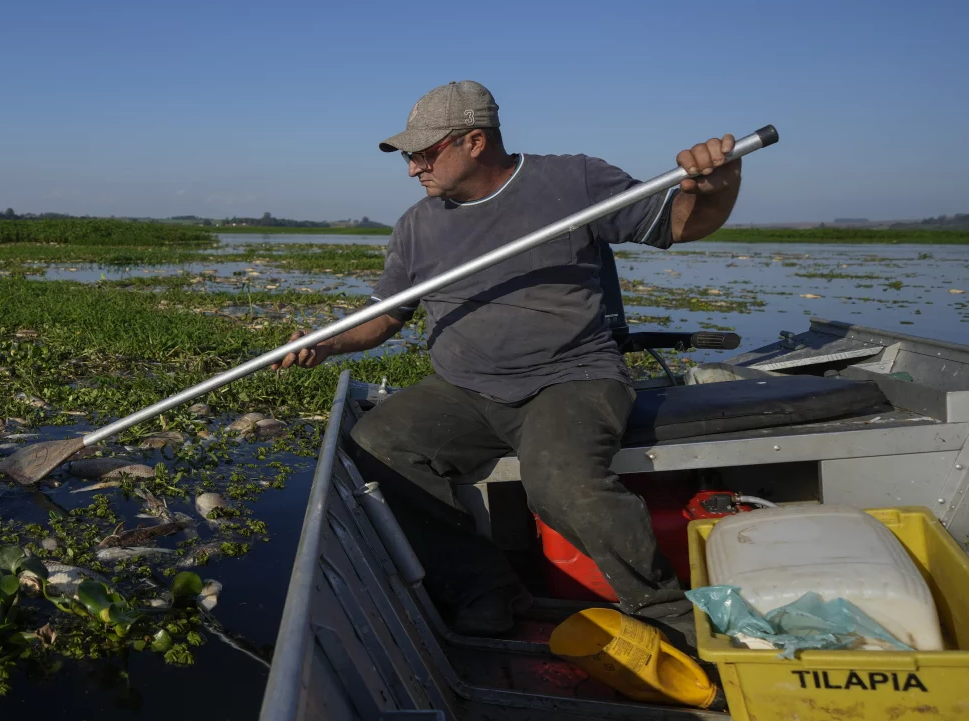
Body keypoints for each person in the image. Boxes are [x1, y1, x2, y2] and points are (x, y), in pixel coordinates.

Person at [274, 80, 744, 644]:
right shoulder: (418, 225)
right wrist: (327, 344)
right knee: (378, 443)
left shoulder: (574, 181)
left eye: (423, 153)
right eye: (407, 156)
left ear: (474, 141)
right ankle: (486, 588)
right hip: (464, 389)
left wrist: (716, 187)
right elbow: (385, 317)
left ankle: (666, 612)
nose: (411, 170)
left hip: (571, 380)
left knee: (560, 482)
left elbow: (680, 222)